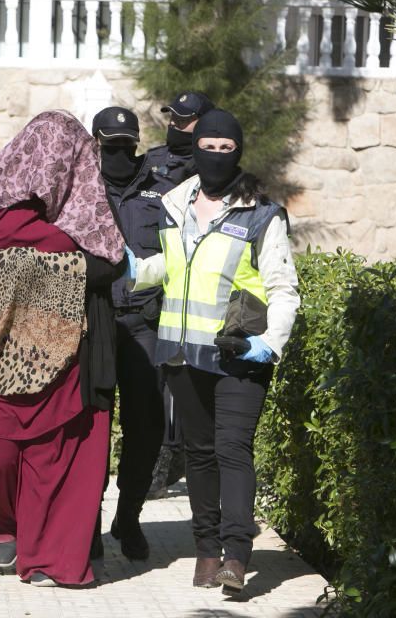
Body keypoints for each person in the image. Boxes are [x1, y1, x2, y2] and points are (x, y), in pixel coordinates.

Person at [0, 111, 127, 587]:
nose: (49, 165)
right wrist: (52, 253)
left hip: (68, 358)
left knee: (56, 461)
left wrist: (21, 259)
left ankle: (49, 560)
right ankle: (3, 530)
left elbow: (107, 266)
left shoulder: (88, 208)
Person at [128, 108, 300, 593]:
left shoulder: (261, 213)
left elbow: (283, 287)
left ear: (239, 153)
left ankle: (236, 555)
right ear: (196, 147)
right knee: (198, 454)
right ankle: (206, 551)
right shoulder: (175, 205)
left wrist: (271, 341)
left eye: (228, 149)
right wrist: (130, 269)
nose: (218, 156)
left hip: (239, 354)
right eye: (210, 147)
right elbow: (173, 266)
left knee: (232, 450)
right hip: (184, 353)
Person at [90, 106, 165, 561]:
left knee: (147, 426)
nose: (119, 152)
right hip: (94, 321)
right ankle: (88, 521)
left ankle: (129, 516)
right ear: (95, 142)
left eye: (126, 143)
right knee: (92, 426)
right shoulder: (80, 188)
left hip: (143, 322)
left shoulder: (162, 191)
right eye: (109, 144)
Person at [143, 91, 215, 498]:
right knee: (152, 384)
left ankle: (172, 459)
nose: (175, 124)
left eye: (185, 120)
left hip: (190, 291)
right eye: (173, 117)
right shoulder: (151, 162)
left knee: (180, 385)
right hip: (148, 284)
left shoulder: (213, 170)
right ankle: (158, 458)